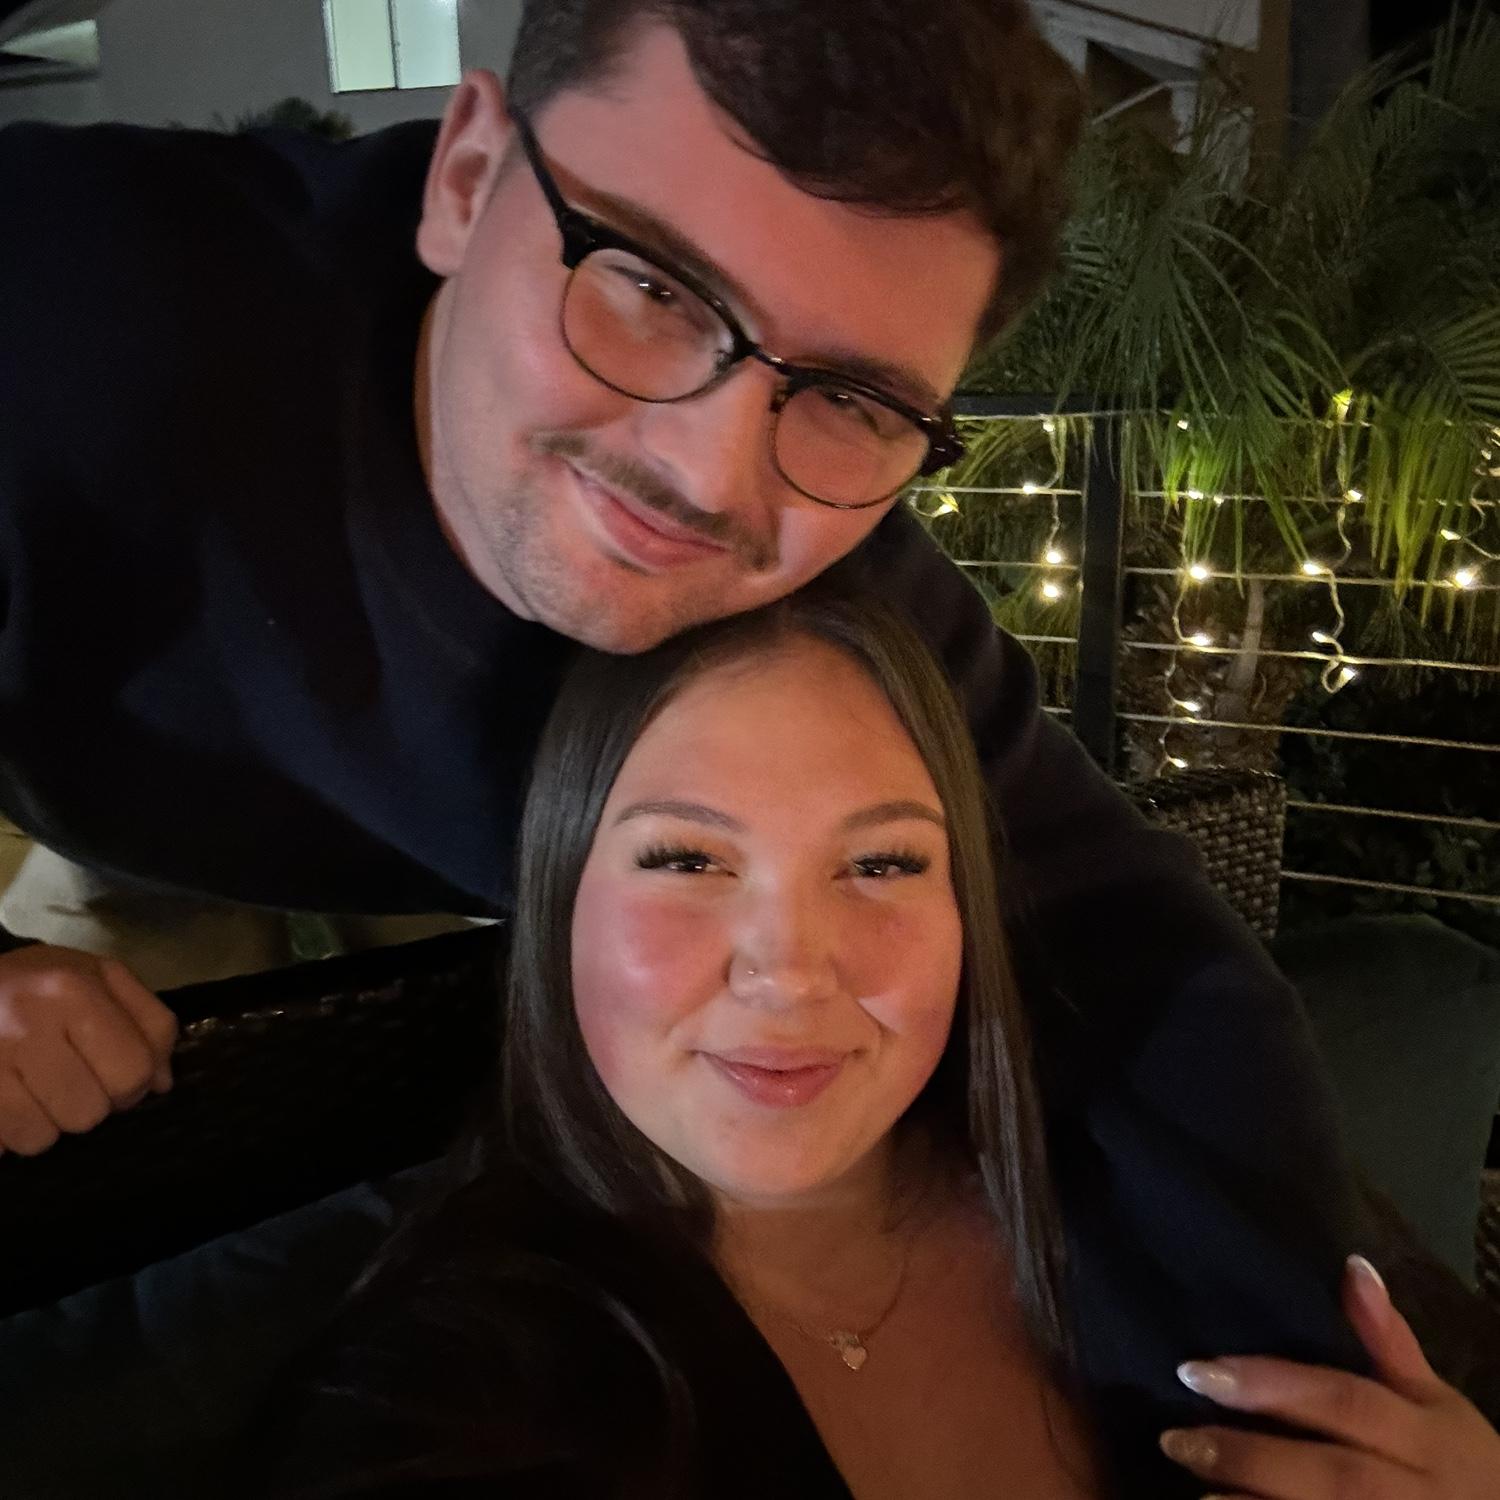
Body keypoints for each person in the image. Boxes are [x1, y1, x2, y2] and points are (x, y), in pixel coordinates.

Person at [0, 0, 1359, 1370]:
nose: (706, 480)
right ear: (465, 180)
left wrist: (1312, 1391)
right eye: (650, 287)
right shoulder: (65, 296)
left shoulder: (840, 594)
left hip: (459, 880)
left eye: (855, 398)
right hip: (99, 776)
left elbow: (1126, 947)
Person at [261, 589, 1500, 1499]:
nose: (791, 967)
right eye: (686, 859)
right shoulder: (448, 1407)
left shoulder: (1150, 1188)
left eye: (881, 864)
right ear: (558, 902)